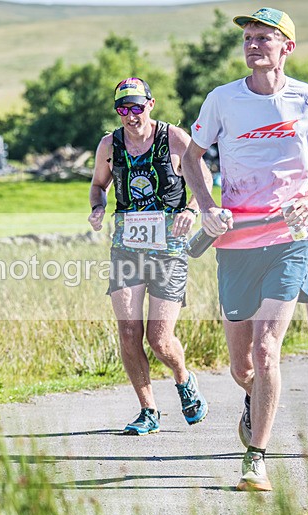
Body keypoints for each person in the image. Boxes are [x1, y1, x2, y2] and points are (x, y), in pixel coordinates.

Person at [180, 8, 308, 491]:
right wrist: (207, 206)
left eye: (264, 37)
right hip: (235, 242)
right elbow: (192, 156)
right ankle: (255, 398)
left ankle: (256, 458)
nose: (253, 44)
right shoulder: (222, 99)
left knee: (267, 348)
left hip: (289, 240)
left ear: (287, 47)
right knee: (243, 366)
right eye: (249, 37)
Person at [88, 77, 211, 437]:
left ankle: (183, 379)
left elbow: (204, 178)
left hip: (169, 250)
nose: (130, 115)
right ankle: (148, 410)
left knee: (160, 339)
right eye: (123, 109)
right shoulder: (109, 144)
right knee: (129, 332)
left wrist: (191, 209)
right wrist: (98, 207)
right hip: (126, 246)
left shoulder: (174, 138)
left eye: (137, 107)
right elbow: (98, 185)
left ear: (150, 105)